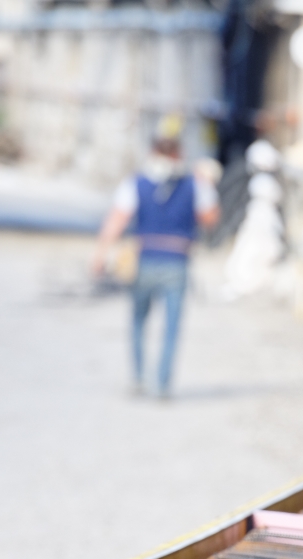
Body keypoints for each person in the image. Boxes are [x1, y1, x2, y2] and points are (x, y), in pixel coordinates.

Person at [90, 128, 221, 397]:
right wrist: (207, 185)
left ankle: (139, 377)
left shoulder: (136, 183)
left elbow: (117, 220)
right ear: (179, 153)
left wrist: (101, 254)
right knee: (171, 327)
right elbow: (210, 219)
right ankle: (162, 384)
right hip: (176, 260)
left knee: (139, 320)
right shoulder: (194, 184)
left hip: (144, 259)